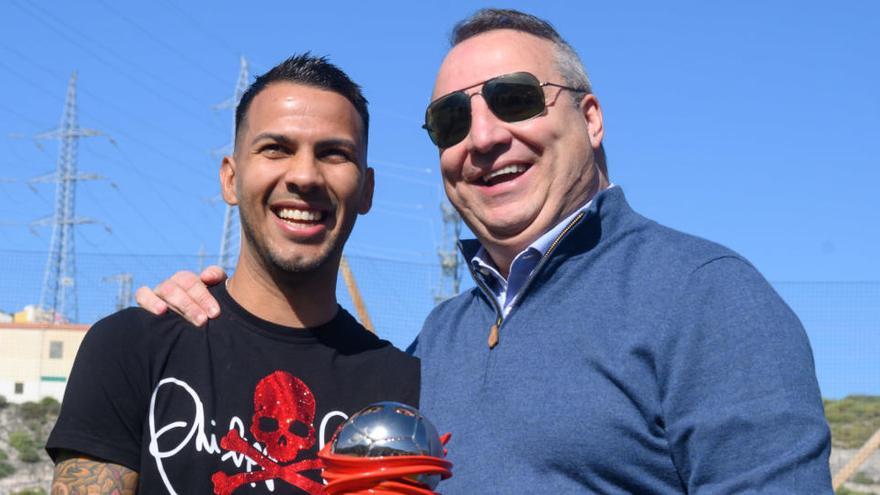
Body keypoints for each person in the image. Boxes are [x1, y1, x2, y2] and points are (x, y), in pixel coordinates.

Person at [136, 9, 833, 493]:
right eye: (451, 119)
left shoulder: (707, 296)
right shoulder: (434, 344)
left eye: (514, 99)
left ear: (589, 118)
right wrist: (195, 313)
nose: (484, 135)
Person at [46, 54, 420, 495]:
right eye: (276, 148)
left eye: (334, 153)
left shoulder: (405, 393)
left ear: (367, 190)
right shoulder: (132, 348)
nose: (304, 175)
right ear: (230, 179)